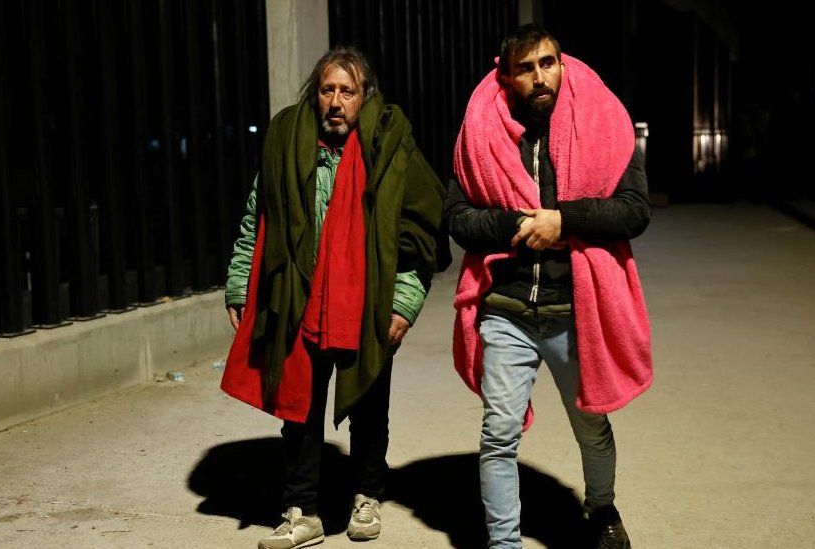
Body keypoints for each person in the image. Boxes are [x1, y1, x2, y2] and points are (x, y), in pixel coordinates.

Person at [220, 46, 444, 549]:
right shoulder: (286, 140)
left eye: (348, 90)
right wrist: (240, 282)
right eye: (328, 90)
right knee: (297, 406)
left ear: (365, 97)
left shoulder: (390, 145)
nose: (336, 101)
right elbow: (257, 219)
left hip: (367, 301)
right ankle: (303, 509)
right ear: (315, 95)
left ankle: (367, 493)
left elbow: (419, 234)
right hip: (299, 296)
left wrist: (403, 305)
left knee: (369, 403)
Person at [446, 24, 653, 549]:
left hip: (575, 308)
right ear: (506, 75)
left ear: (561, 64)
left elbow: (634, 211)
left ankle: (602, 510)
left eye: (547, 63)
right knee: (498, 435)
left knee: (591, 426)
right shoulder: (480, 132)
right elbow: (458, 217)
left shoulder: (604, 122)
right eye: (525, 68)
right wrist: (511, 225)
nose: (539, 77)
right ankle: (504, 542)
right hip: (506, 308)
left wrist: (565, 221)